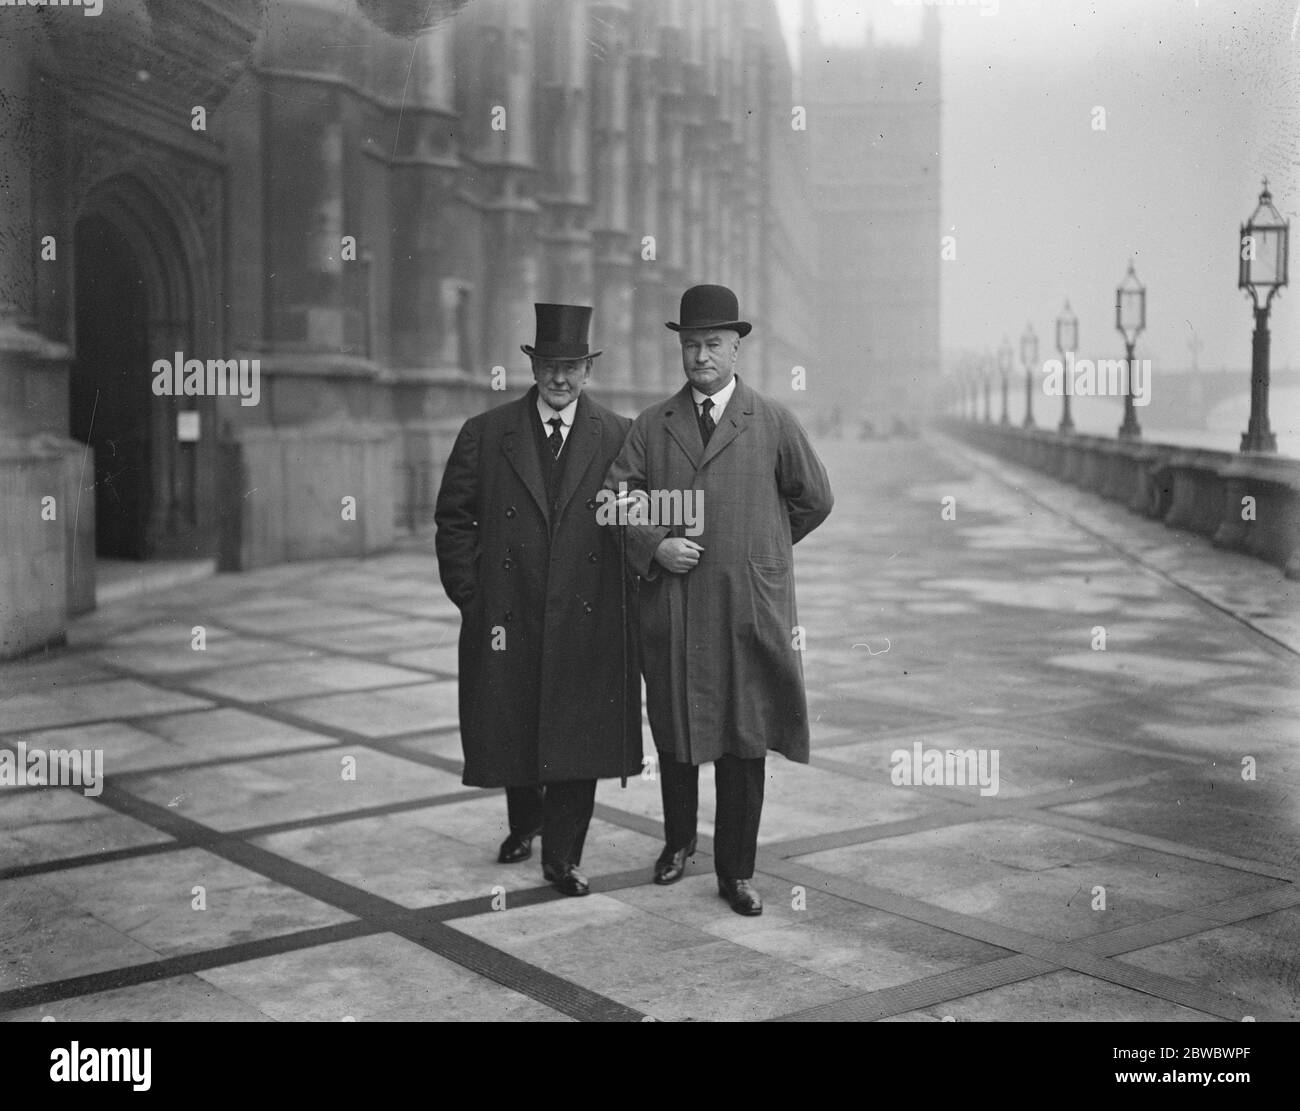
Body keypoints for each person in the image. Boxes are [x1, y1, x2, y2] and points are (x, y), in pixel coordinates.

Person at [604, 284, 833, 916]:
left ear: (736, 349)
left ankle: (737, 870)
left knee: (743, 737)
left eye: (712, 344)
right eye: (690, 345)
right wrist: (655, 545)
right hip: (675, 608)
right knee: (677, 732)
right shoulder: (653, 425)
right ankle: (677, 846)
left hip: (746, 611)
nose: (700, 356)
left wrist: (761, 550)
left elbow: (815, 498)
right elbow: (615, 499)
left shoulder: (773, 420)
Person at [435, 303, 642, 896]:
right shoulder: (486, 432)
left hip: (586, 609)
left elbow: (634, 518)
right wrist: (473, 596)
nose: (559, 378)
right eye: (550, 365)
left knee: (579, 730)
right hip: (509, 607)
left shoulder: (618, 434)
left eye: (571, 366)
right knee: (513, 721)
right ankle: (523, 823)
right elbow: (454, 520)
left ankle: (563, 855)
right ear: (533, 365)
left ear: (588, 369)